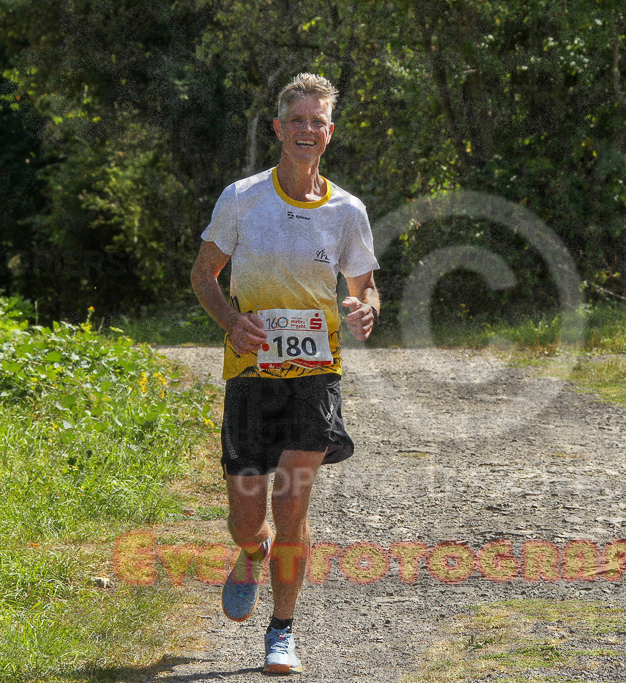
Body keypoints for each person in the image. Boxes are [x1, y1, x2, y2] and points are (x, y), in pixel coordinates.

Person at [190, 73, 380, 674]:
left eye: (316, 121)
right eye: (296, 119)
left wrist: (365, 310)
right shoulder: (242, 198)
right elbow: (203, 275)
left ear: (330, 132)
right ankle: (253, 552)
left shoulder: (347, 210)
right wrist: (230, 322)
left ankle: (282, 631)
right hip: (251, 374)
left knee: (292, 499)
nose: (306, 130)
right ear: (278, 128)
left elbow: (366, 287)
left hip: (316, 374)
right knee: (247, 518)